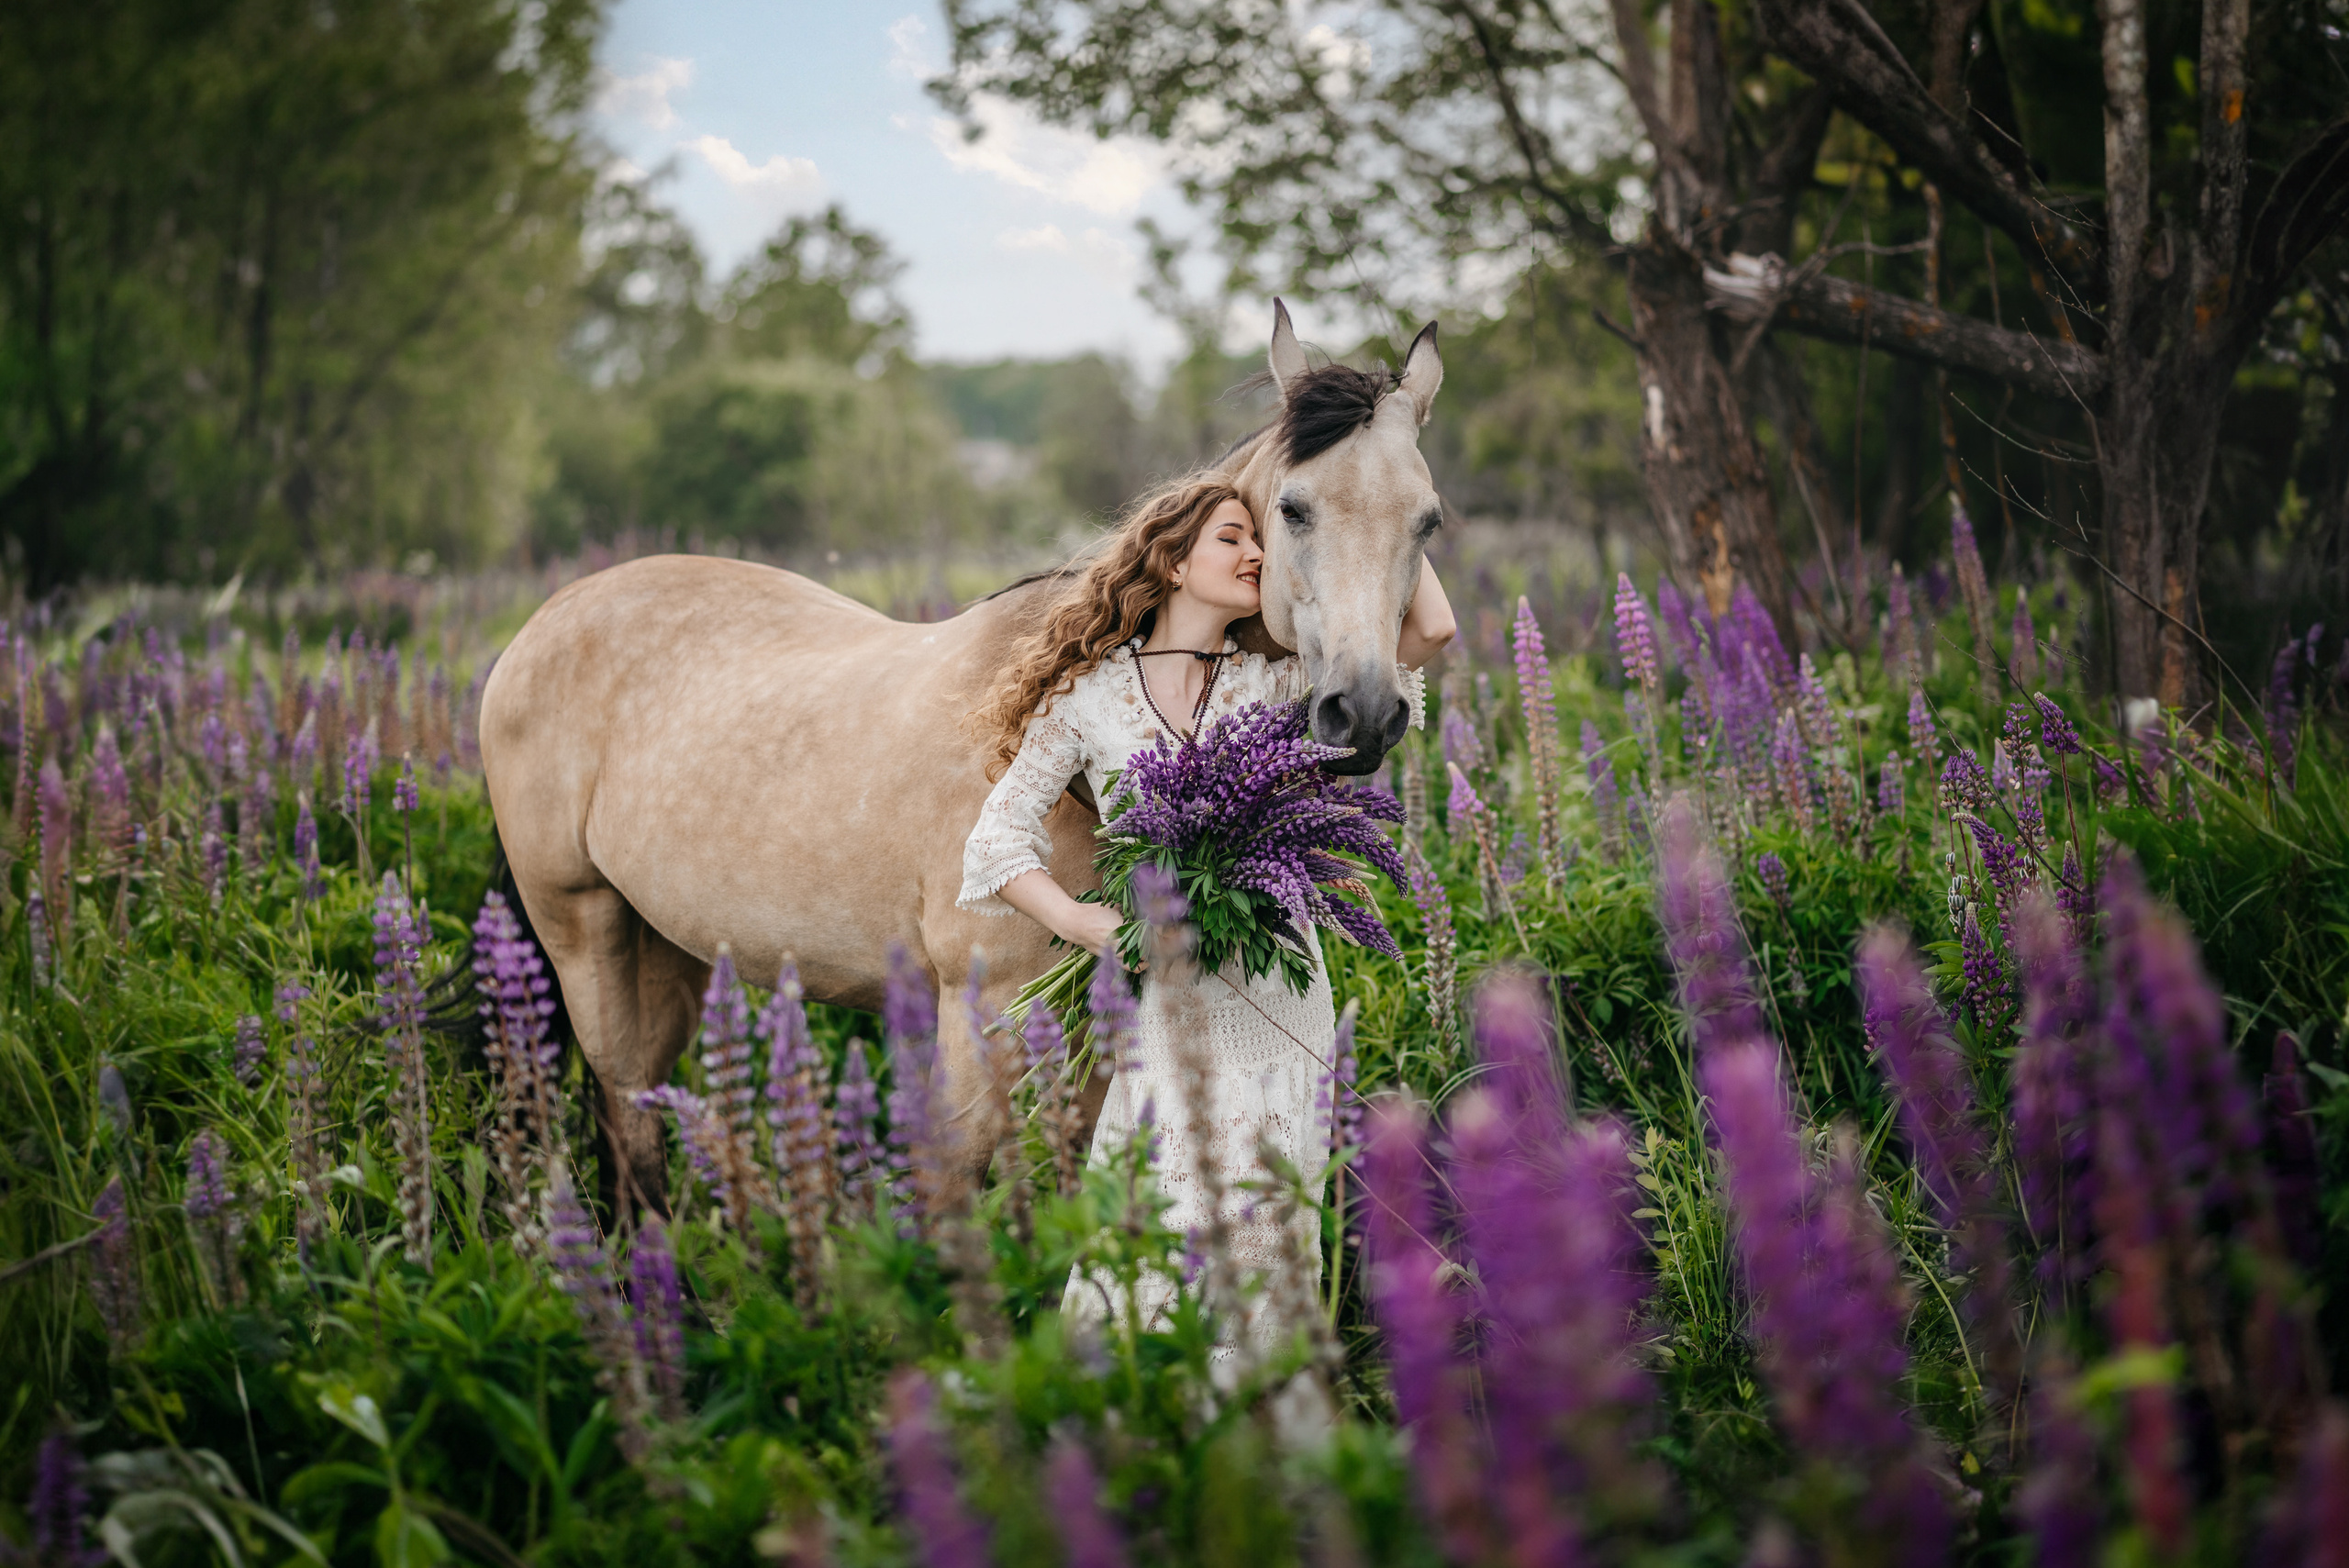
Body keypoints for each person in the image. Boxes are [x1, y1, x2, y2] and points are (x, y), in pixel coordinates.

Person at [960, 473, 1455, 1355]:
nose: (1256, 554)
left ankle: (1260, 1409)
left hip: (1279, 984)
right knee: (1162, 1199)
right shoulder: (1092, 695)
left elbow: (1431, 632)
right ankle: (1148, 1408)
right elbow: (994, 843)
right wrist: (1087, 926)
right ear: (1172, 558)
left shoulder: (1274, 683)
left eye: (1257, 538)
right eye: (1233, 537)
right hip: (1169, 992)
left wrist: (1387, 504)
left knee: (1269, 1210)